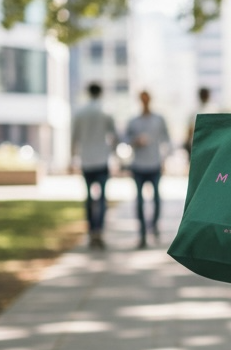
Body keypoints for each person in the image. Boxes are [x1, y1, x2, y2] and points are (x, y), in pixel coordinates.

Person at [71, 82, 116, 248]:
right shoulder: (106, 111)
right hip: (102, 160)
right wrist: (114, 154)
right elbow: (114, 136)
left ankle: (91, 231)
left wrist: (72, 158)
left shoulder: (80, 112)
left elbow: (74, 137)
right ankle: (99, 230)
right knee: (102, 198)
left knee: (89, 198)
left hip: (86, 160)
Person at [125, 89, 173, 247]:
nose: (144, 101)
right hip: (138, 165)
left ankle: (154, 226)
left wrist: (165, 158)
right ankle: (142, 233)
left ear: (150, 99)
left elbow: (167, 139)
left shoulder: (159, 119)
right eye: (142, 99)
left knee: (157, 199)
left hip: (154, 164)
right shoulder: (134, 120)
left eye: (147, 98)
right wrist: (135, 140)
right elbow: (125, 139)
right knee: (139, 201)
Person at [182, 86, 212, 157]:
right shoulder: (195, 111)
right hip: (199, 144)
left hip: (206, 144)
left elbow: (190, 129)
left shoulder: (212, 109)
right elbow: (190, 129)